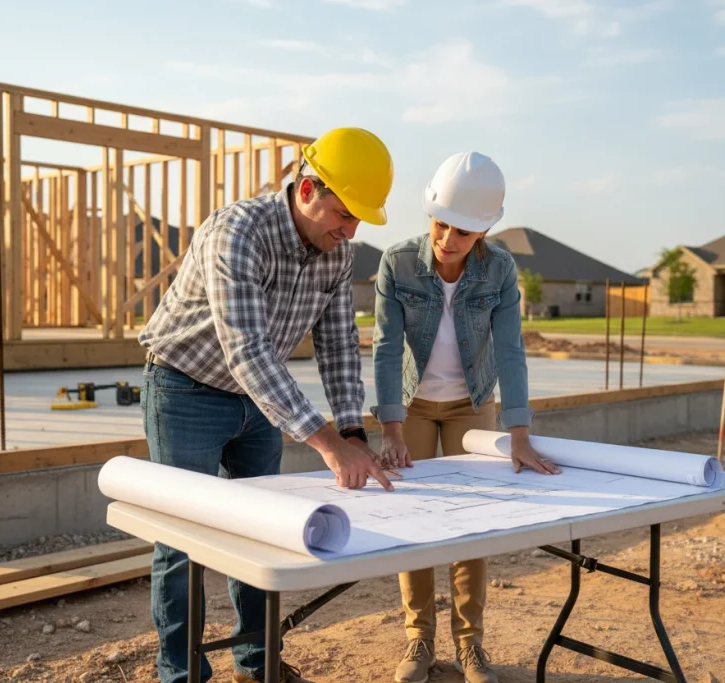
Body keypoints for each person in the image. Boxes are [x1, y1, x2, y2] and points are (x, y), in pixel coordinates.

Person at [138, 127, 398, 683]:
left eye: (357, 220)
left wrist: (352, 430)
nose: (350, 231)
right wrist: (326, 444)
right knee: (184, 540)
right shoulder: (238, 232)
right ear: (308, 189)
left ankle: (257, 665)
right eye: (344, 214)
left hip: (259, 401)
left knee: (260, 532)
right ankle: (180, 673)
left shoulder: (336, 254)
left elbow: (338, 347)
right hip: (184, 389)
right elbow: (247, 351)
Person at [371, 151, 562, 683]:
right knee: (415, 516)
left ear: (483, 230)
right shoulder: (398, 263)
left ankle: (470, 643)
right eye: (441, 224)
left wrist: (519, 433)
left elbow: (511, 350)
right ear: (429, 212)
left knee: (471, 521)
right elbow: (386, 348)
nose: (448, 239)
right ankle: (419, 640)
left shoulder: (499, 268)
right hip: (409, 404)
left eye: (462, 231)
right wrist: (389, 426)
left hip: (472, 403)